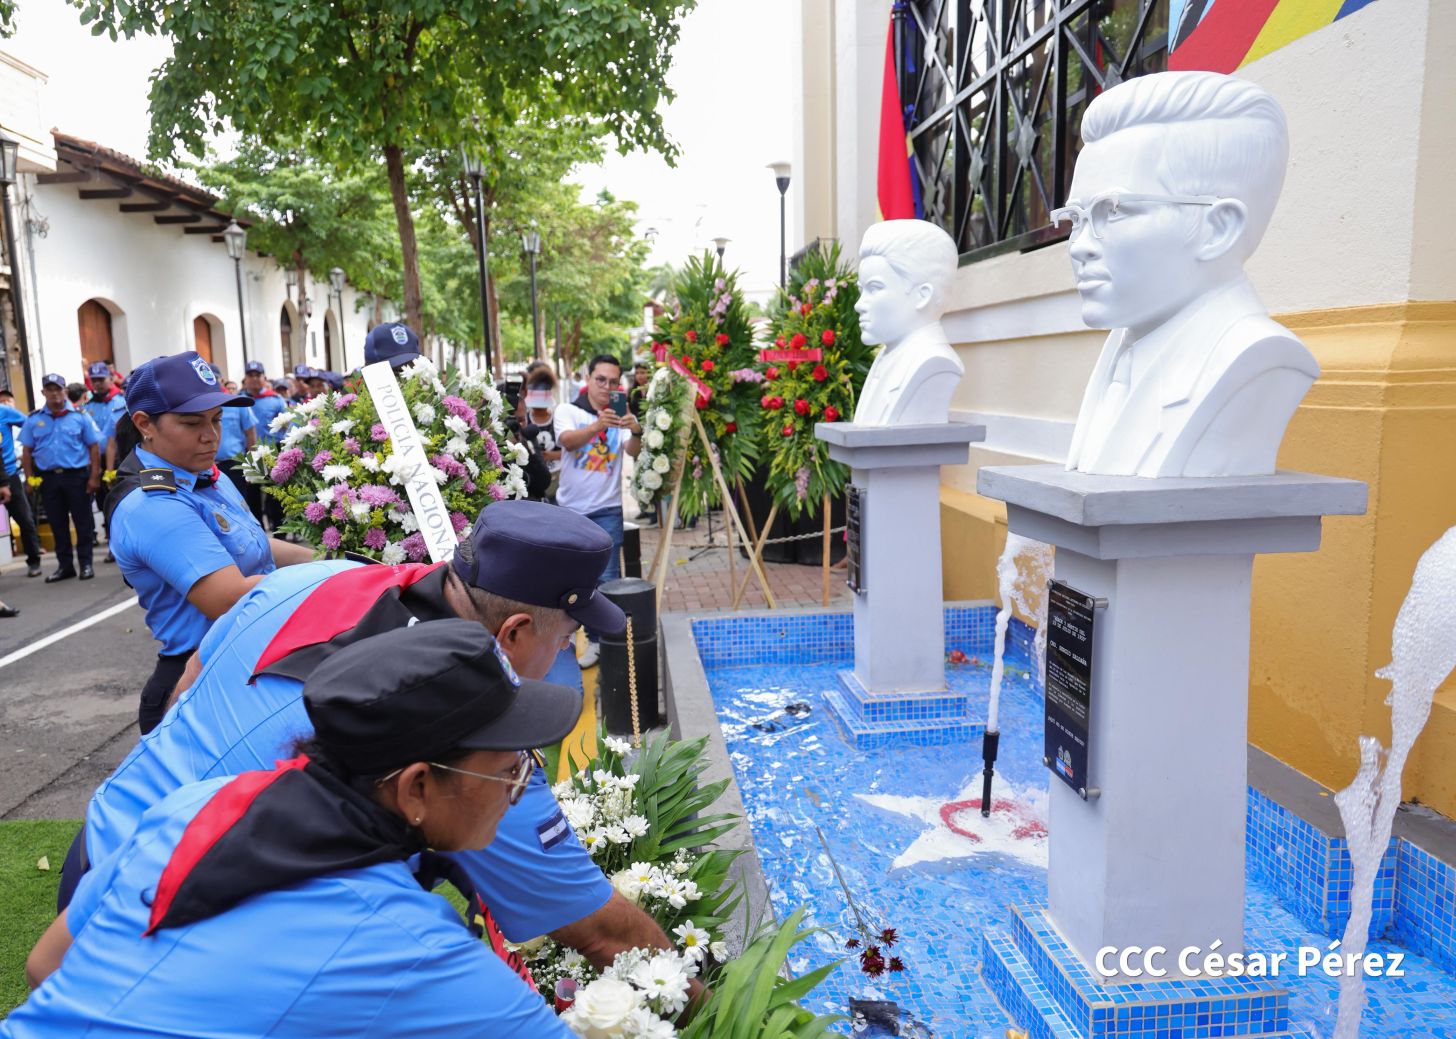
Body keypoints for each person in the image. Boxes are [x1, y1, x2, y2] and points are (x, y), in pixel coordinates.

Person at [70, 500, 677, 974]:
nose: (568, 650)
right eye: (567, 635)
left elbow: (192, 675)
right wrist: (701, 995)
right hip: (182, 935)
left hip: (99, 855)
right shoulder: (475, 743)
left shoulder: (314, 580)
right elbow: (598, 930)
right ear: (514, 633)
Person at [14, 619, 584, 1038]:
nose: (519, 785)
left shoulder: (196, 804)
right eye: (510, 770)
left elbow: (45, 965)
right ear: (415, 789)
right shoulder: (410, 949)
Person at [107, 351, 315, 734]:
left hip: (249, 660)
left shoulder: (204, 474)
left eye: (217, 419)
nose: (211, 435)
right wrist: (331, 578)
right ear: (144, 424)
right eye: (192, 423)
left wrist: (331, 558)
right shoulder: (151, 504)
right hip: (198, 686)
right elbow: (228, 597)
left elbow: (255, 545)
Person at [554, 353, 641, 668]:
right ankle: (565, 636)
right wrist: (597, 425)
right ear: (588, 379)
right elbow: (567, 441)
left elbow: (633, 450)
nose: (606, 387)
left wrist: (636, 430)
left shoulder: (621, 416)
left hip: (608, 509)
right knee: (568, 579)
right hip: (570, 511)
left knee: (606, 580)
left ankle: (602, 642)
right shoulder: (568, 410)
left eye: (613, 382)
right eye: (601, 379)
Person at [19, 373, 104, 582]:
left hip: (77, 477)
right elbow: (27, 451)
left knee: (83, 522)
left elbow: (94, 447)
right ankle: (65, 566)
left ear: (65, 391)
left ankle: (86, 564)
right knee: (57, 524)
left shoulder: (80, 416)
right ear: (43, 392)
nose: (54, 394)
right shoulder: (34, 419)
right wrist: (29, 479)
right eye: (50, 390)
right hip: (49, 479)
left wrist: (94, 477)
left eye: (58, 389)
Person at [0, 388, 43, 578]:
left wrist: (28, 451)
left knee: (24, 519)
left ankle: (34, 561)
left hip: (9, 474)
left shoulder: (4, 411)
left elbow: (29, 425)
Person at [242, 362, 287, 526]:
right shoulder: (240, 400)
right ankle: (258, 526)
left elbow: (287, 425)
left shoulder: (276, 400)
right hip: (249, 452)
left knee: (275, 492)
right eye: (250, 375)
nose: (254, 379)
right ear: (245, 379)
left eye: (257, 375)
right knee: (252, 493)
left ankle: (278, 528)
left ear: (264, 378)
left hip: (272, 451)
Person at [519, 365, 561, 502]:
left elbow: (570, 451)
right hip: (534, 481)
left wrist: (549, 455)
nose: (539, 409)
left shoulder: (558, 419)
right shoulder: (524, 420)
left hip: (558, 479)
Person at [214, 374, 258, 499]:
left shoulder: (237, 403)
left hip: (234, 465)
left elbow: (251, 435)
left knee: (239, 501)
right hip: (209, 466)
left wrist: (251, 465)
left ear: (222, 381)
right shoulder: (201, 405)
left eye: (215, 379)